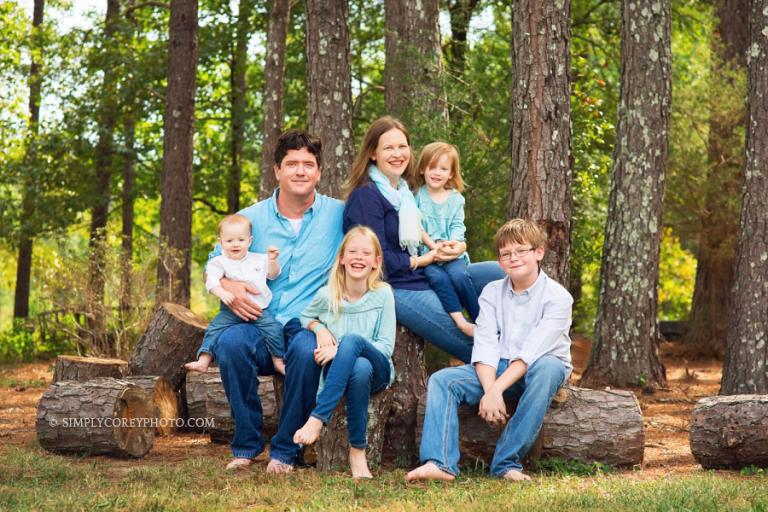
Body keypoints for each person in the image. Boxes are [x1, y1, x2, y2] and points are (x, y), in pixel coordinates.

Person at [208, 130, 345, 471]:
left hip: (305, 323)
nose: (300, 171)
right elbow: (214, 263)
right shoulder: (250, 218)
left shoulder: (339, 216)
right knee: (230, 344)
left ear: (319, 171)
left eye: (308, 165)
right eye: (292, 164)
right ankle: (247, 444)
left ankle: (285, 450)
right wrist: (229, 285)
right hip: (256, 322)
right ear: (277, 171)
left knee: (305, 351)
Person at [406, 219, 572, 482]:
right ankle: (440, 463)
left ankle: (506, 463)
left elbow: (531, 353)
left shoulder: (558, 297)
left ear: (538, 252)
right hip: (498, 367)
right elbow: (484, 345)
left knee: (549, 367)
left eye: (521, 251)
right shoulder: (492, 293)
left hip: (538, 369)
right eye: (506, 254)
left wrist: (495, 391)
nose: (513, 258)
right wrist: (489, 389)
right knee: (443, 380)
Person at [342, 116, 504, 364]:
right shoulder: (367, 196)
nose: (397, 154)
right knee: (468, 340)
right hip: (397, 286)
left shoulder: (406, 193)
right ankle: (516, 378)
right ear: (373, 153)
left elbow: (434, 230)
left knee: (498, 273)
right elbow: (375, 261)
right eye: (389, 148)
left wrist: (456, 246)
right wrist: (419, 260)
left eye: (402, 146)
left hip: (428, 269)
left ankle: (523, 344)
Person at [292, 226, 395, 479]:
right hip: (347, 373)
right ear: (341, 258)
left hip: (379, 368)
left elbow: (385, 345)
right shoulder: (327, 296)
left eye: (366, 253)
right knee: (359, 368)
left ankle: (317, 418)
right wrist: (318, 329)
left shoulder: (383, 294)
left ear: (376, 261)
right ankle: (357, 452)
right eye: (353, 252)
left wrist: (339, 348)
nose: (359, 257)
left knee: (353, 344)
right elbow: (304, 316)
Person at [185, 214, 285, 375]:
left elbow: (273, 274)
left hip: (259, 309)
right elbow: (211, 280)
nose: (235, 244)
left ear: (250, 241)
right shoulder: (219, 262)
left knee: (274, 329)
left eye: (241, 240)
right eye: (229, 241)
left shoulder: (259, 259)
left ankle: (278, 361)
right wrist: (222, 293)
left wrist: (273, 260)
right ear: (221, 242)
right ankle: (203, 361)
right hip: (230, 310)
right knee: (214, 329)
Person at [415, 142, 479, 338]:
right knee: (437, 278)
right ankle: (461, 322)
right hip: (428, 253)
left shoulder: (455, 199)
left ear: (451, 174)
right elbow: (416, 226)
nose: (437, 173)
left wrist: (452, 244)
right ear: (423, 169)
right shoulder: (417, 195)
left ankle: (481, 320)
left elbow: (457, 225)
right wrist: (433, 246)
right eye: (432, 167)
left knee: (459, 275)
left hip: (451, 252)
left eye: (443, 169)